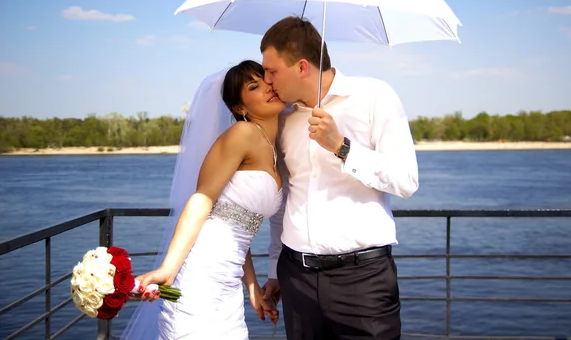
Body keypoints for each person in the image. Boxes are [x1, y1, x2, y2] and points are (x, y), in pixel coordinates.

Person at [260, 17, 419, 339]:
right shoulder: (285, 118)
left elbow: (406, 181)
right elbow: (286, 199)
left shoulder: (375, 96)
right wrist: (275, 269)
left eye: (272, 71)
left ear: (302, 66)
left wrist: (342, 147)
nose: (266, 80)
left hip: (363, 281)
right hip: (296, 278)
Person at [121, 60, 284, 339]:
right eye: (254, 86)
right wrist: (167, 269)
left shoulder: (273, 148)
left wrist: (253, 287)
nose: (268, 87)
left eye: (266, 79)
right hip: (202, 274)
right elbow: (202, 201)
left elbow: (233, 219)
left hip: (228, 282)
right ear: (240, 108)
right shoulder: (242, 134)